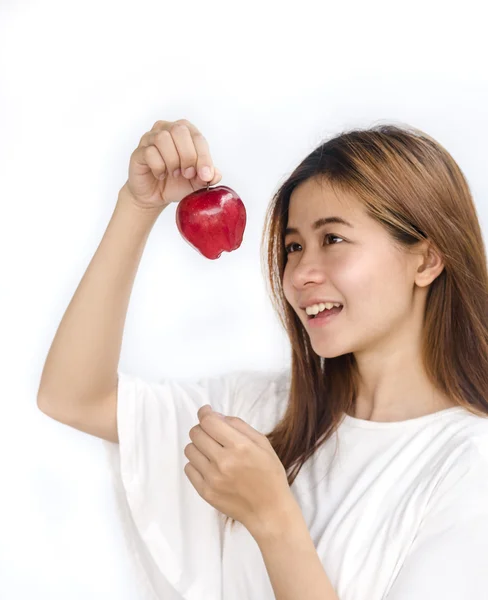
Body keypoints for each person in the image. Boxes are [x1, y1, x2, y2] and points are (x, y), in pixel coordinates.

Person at [37, 119, 488, 600]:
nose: (300, 275)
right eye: (294, 247)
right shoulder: (260, 413)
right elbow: (73, 397)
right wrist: (137, 204)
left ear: (425, 260)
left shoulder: (468, 467)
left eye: (332, 239)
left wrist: (273, 517)